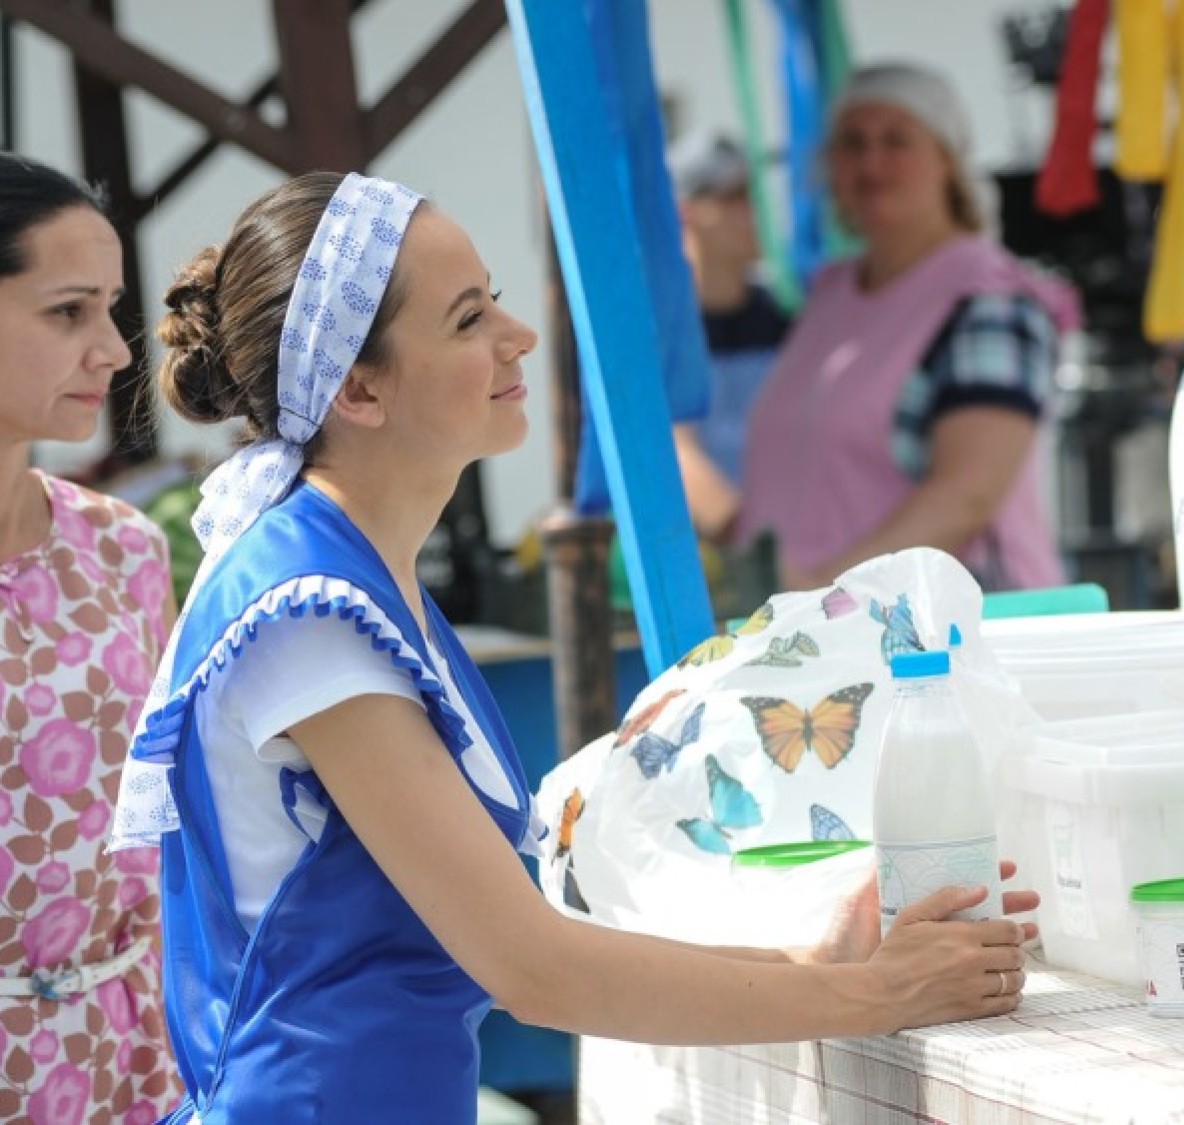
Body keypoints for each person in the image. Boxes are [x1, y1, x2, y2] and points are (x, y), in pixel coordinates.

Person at [108, 171, 1039, 1124]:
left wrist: (819, 959)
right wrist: (875, 993)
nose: (518, 336)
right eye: (469, 319)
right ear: (359, 386)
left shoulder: (348, 574)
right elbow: (534, 967)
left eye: (495, 300)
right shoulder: (309, 613)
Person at [736, 63, 1083, 592]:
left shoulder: (990, 299)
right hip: (813, 626)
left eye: (897, 140)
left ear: (947, 161)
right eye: (852, 143)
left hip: (941, 629)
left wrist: (823, 596)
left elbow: (967, 496)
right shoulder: (828, 296)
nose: (871, 162)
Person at [0, 152, 180, 1121]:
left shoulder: (125, 549)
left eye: (109, 309)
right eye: (68, 311)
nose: (112, 349)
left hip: (129, 1062)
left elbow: (167, 829)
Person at [668, 132, 790, 541]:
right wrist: (754, 547)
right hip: (702, 560)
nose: (757, 211)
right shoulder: (659, 333)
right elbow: (673, 451)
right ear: (686, 212)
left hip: (794, 551)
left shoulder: (789, 316)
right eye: (736, 197)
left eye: (754, 194)